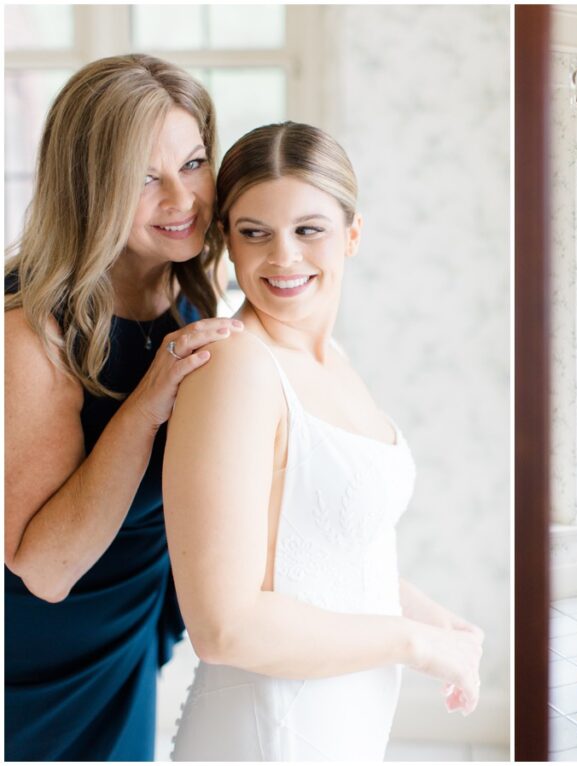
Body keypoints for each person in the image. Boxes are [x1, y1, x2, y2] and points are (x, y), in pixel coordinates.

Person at [163, 122, 484, 761]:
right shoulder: (235, 367)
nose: (283, 257)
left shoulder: (333, 357)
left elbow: (326, 557)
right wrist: (413, 643)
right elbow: (224, 627)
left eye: (308, 230)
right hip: (269, 735)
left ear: (352, 235)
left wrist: (429, 617)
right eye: (255, 233)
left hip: (343, 726)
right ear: (227, 240)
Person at [4, 54, 243, 760]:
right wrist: (146, 402)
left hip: (133, 623)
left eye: (194, 162)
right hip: (38, 657)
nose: (184, 197)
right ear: (88, 189)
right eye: (145, 177)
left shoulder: (195, 280)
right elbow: (43, 570)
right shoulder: (34, 327)